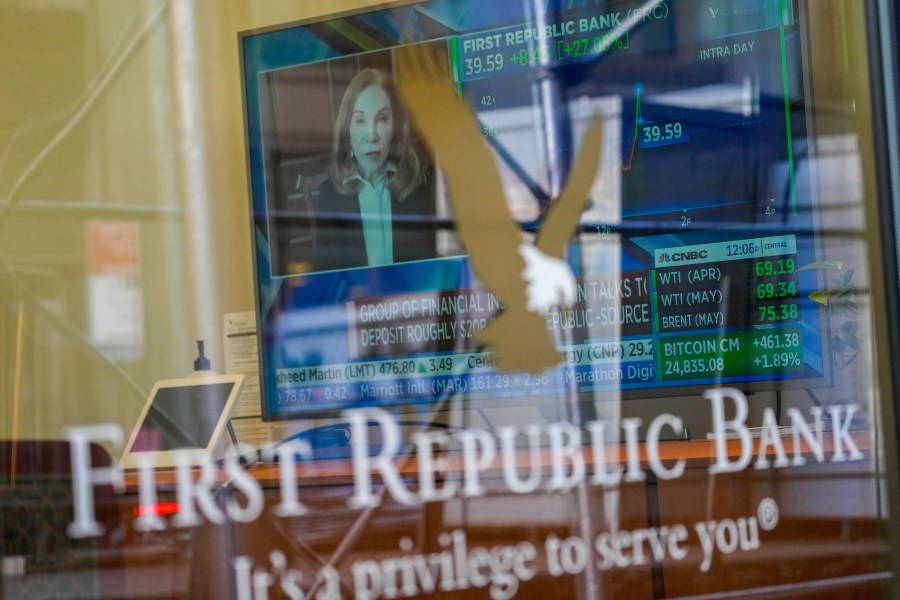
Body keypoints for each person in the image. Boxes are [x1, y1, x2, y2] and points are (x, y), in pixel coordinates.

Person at [313, 68, 437, 271]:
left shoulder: (419, 186)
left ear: (395, 127)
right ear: (348, 129)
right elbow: (325, 277)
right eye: (360, 120)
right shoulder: (330, 194)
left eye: (382, 119)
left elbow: (438, 271)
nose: (371, 135)